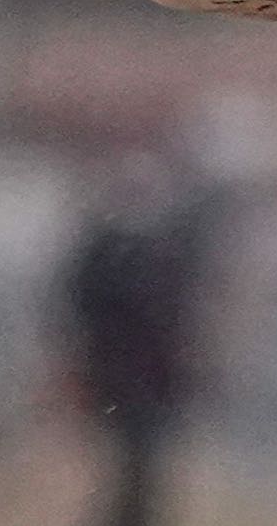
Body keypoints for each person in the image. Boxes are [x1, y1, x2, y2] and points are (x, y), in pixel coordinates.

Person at [61, 152, 221, 526]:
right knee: (133, 465)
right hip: (125, 377)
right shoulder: (117, 250)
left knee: (140, 467)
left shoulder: (152, 248)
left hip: (142, 378)